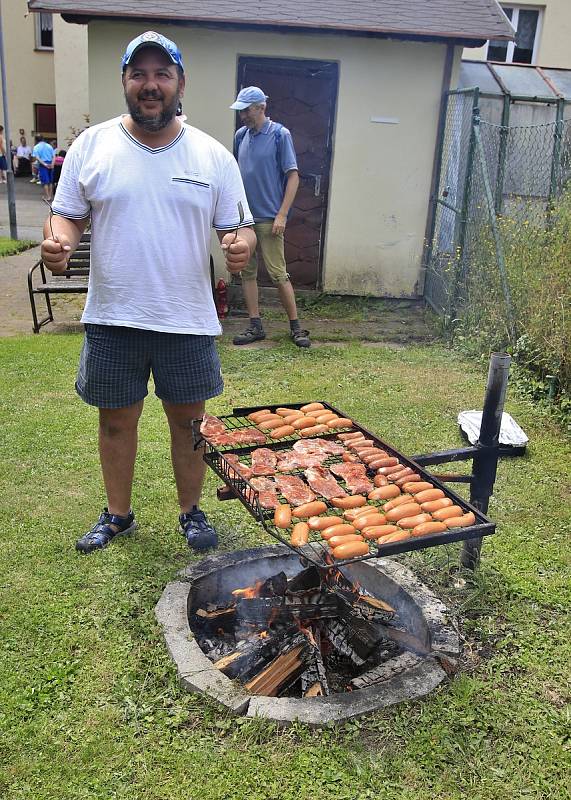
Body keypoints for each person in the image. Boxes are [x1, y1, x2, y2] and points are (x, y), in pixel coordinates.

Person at [40, 30, 255, 555]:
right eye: (140, 74)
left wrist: (241, 245)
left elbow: (240, 227)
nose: (151, 85)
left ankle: (191, 512)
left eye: (162, 74)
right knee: (115, 423)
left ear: (181, 82)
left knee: (189, 425)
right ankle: (118, 514)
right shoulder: (93, 145)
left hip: (186, 318)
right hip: (114, 315)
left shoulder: (212, 156)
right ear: (124, 82)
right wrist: (59, 244)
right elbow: (67, 216)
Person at [229, 86, 310, 348]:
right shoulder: (241, 136)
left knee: (278, 274)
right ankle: (255, 326)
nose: (243, 115)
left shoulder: (279, 135)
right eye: (240, 110)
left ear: (261, 108)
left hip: (270, 219)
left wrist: (282, 215)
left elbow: (293, 176)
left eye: (246, 110)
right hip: (245, 221)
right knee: (247, 273)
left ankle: (296, 328)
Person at [32, 135, 55, 200]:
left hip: (43, 165)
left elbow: (37, 158)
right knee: (50, 181)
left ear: (36, 140)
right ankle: (50, 195)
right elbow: (53, 156)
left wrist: (44, 164)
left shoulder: (36, 147)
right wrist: (52, 164)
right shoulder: (49, 146)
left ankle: (47, 196)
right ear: (43, 139)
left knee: (45, 182)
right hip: (50, 163)